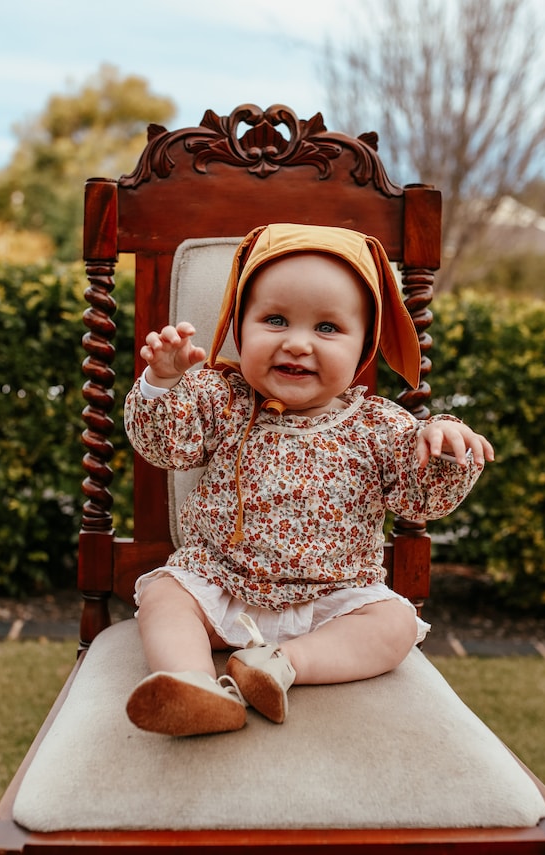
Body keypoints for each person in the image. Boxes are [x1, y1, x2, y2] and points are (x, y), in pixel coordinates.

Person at [124, 223, 494, 738]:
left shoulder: (382, 426)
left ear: (364, 345)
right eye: (274, 320)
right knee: (166, 595)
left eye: (327, 328)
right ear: (239, 328)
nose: (297, 344)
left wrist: (444, 448)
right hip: (219, 583)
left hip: (332, 601)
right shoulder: (220, 397)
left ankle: (280, 665)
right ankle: (191, 685)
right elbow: (167, 445)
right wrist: (163, 382)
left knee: (396, 624)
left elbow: (420, 498)